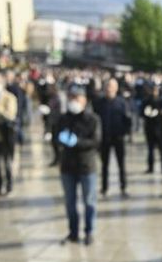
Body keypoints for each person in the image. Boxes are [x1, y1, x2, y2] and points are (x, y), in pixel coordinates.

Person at [56, 85, 101, 246]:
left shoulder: (92, 119)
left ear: (84, 100)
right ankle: (73, 232)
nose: (73, 101)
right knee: (70, 202)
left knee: (89, 201)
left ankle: (89, 231)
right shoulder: (64, 118)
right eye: (71, 97)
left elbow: (95, 141)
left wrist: (77, 143)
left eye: (77, 98)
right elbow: (57, 136)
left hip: (86, 166)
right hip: (67, 166)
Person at [93, 78, 132, 198]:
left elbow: (128, 120)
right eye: (107, 86)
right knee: (104, 164)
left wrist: (125, 133)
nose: (109, 88)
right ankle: (104, 188)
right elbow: (94, 120)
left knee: (121, 164)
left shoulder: (122, 102)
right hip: (104, 138)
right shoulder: (99, 102)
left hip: (118, 137)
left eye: (111, 86)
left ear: (115, 88)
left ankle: (123, 187)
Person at [140, 82, 162, 173]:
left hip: (159, 127)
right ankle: (151, 167)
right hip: (149, 127)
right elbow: (142, 113)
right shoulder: (146, 101)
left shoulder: (161, 100)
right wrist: (147, 113)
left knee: (161, 149)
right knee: (150, 149)